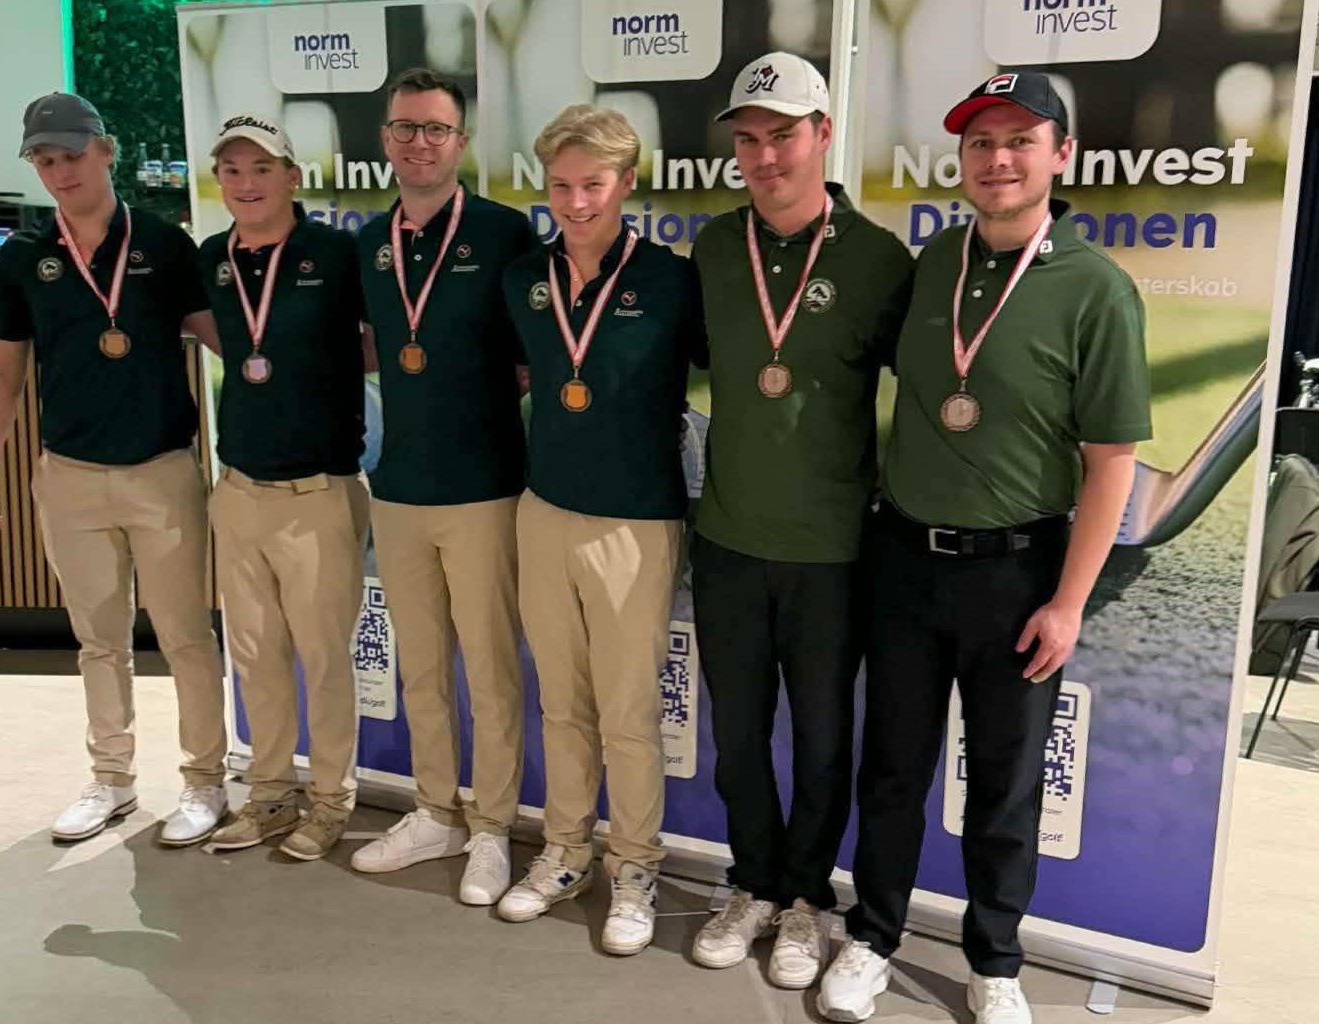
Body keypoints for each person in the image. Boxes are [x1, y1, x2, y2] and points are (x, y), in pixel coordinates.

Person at [822, 72, 1151, 1024]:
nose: (997, 159)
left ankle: (996, 961)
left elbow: (1112, 463)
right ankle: (872, 937)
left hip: (1018, 574)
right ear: (961, 160)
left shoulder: (1095, 289)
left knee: (1005, 784)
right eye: (979, 143)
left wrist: (1068, 603)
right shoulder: (933, 263)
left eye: (1019, 140)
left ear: (1061, 156)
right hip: (904, 560)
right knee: (892, 769)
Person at [687, 53, 913, 988]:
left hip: (833, 551)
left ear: (823, 134)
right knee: (738, 739)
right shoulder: (712, 248)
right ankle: (752, 883)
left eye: (783, 134)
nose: (765, 156)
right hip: (728, 541)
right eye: (748, 139)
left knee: (822, 741)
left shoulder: (879, 260)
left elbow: (934, 386)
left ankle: (809, 898)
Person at [0, 92, 228, 847]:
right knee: (99, 640)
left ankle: (204, 781)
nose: (60, 171)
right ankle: (111, 779)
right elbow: (4, 370)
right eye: (45, 160)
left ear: (106, 151)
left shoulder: (165, 245)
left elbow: (223, 340)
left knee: (185, 636)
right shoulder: (25, 258)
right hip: (70, 475)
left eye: (72, 155)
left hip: (162, 471)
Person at [495, 105, 706, 956]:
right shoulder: (524, 278)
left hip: (637, 520)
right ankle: (565, 852)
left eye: (593, 185)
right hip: (544, 510)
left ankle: (636, 866)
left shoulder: (671, 280)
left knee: (626, 711)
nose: (576, 203)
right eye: (561, 186)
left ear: (627, 184)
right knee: (562, 702)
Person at [348, 69, 538, 905]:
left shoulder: (504, 232)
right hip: (396, 490)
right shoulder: (367, 243)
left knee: (490, 670)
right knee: (421, 667)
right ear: (384, 140)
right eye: (404, 128)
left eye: (434, 129)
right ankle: (435, 812)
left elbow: (534, 355)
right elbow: (370, 346)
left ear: (461, 142)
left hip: (485, 487)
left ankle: (491, 828)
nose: (418, 143)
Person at [193, 113, 370, 862]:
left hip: (317, 492)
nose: (246, 183)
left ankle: (330, 801)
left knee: (323, 660)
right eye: (232, 170)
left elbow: (377, 343)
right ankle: (268, 795)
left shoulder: (336, 253)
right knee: (256, 658)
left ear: (292, 176)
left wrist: (316, 370)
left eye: (262, 168)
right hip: (238, 489)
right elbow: (220, 336)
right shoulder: (212, 258)